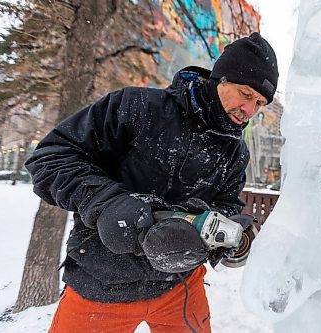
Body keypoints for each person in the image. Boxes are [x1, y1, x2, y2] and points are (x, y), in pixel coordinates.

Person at [25, 32, 278, 333]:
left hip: (181, 288)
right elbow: (51, 157)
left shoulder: (235, 152)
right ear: (220, 79)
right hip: (101, 287)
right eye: (245, 94)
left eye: (259, 103)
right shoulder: (137, 107)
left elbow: (225, 205)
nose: (249, 111)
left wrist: (229, 238)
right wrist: (107, 203)